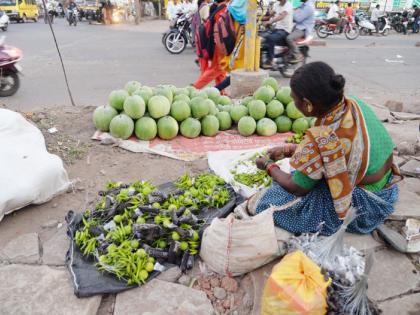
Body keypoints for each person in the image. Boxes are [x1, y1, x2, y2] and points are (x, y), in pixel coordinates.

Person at [250, 62, 399, 236]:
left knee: (269, 202)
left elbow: (297, 187)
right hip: (388, 186)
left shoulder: (321, 138)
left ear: (307, 104)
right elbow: (336, 151)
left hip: (366, 206)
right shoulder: (353, 104)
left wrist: (268, 165)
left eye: (294, 99)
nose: (293, 102)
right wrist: (290, 149)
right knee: (302, 169)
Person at [192, 0, 228, 90]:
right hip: (220, 44)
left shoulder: (216, 7)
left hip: (215, 44)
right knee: (217, 68)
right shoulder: (223, 10)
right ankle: (194, 87)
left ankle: (221, 92)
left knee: (221, 69)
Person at [262, 0, 293, 69]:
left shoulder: (288, 5)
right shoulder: (277, 5)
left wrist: (270, 22)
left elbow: (281, 16)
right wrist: (260, 18)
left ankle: (271, 60)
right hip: (277, 28)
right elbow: (271, 15)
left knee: (271, 38)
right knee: (263, 36)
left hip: (285, 30)